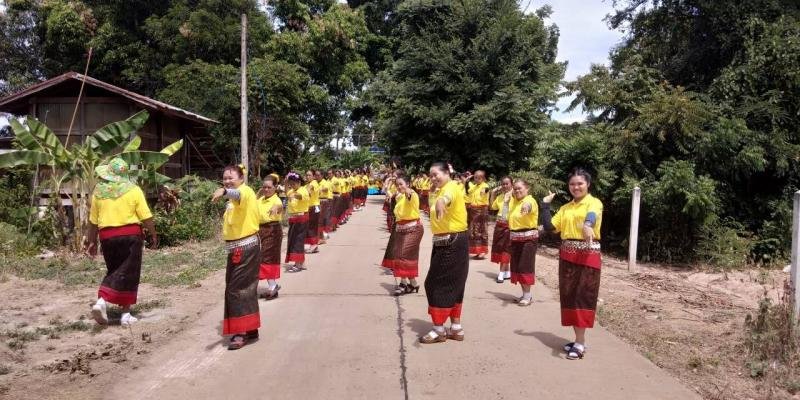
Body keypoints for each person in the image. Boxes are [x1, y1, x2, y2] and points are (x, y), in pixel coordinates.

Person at [85, 157, 157, 326]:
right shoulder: (134, 190)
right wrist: (153, 233)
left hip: (107, 237)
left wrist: (91, 242)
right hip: (131, 235)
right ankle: (112, 306)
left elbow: (93, 222)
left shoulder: (99, 192)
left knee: (114, 269)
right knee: (129, 272)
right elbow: (146, 216)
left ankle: (111, 306)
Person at [540, 168, 603, 360]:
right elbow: (551, 228)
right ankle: (577, 339)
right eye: (572, 184)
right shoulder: (566, 208)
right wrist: (544, 206)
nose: (575, 187)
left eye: (580, 184)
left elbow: (591, 216)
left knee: (582, 297)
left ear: (588, 184)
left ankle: (581, 342)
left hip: (587, 256)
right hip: (567, 256)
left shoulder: (594, 202)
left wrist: (587, 225)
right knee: (569, 296)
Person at [211, 165, 261, 350]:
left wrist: (224, 190)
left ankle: (241, 332)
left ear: (241, 178)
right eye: (224, 178)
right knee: (244, 288)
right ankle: (250, 328)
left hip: (245, 248)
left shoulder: (245, 192)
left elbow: (236, 195)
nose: (227, 180)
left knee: (236, 289)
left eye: (231, 178)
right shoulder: (233, 200)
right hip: (236, 248)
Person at [420, 162, 469, 344]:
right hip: (444, 240)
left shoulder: (452, 187)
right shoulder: (440, 189)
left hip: (452, 240)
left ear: (447, 172)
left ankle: (439, 329)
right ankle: (456, 328)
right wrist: (436, 195)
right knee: (454, 282)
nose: (433, 178)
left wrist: (441, 201)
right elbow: (438, 201)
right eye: (430, 175)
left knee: (435, 283)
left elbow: (446, 199)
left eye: (436, 174)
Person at [389, 175, 424, 295]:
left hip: (413, 229)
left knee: (403, 256)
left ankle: (403, 283)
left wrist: (408, 191)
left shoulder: (411, 194)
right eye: (397, 184)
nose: (399, 187)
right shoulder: (400, 196)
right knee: (399, 255)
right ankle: (413, 283)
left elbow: (410, 194)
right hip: (400, 229)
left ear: (408, 184)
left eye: (401, 184)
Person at [506, 179, 539, 306]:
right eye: (515, 188)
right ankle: (526, 294)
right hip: (515, 238)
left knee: (525, 266)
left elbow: (529, 206)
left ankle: (527, 296)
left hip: (528, 239)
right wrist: (505, 201)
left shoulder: (530, 200)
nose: (517, 190)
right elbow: (504, 216)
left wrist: (526, 207)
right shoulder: (514, 202)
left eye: (520, 188)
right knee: (517, 266)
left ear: (527, 189)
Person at [257, 174, 283, 300]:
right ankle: (272, 286)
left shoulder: (276, 200)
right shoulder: (260, 199)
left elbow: (279, 206)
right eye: (264, 187)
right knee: (262, 258)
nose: (266, 190)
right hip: (261, 230)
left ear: (275, 187)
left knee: (267, 257)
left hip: (272, 230)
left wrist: (275, 208)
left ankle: (273, 286)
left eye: (269, 187)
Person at [489, 176, 513, 282]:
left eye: (507, 183)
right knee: (500, 248)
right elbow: (493, 207)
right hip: (499, 225)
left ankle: (501, 273)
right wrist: (493, 193)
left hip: (509, 226)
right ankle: (507, 272)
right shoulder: (500, 197)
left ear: (512, 184)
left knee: (506, 249)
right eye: (503, 184)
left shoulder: (515, 195)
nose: (505, 186)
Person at [285, 172, 310, 272]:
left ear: (299, 182)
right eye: (291, 183)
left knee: (298, 241)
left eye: (294, 183)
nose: (292, 185)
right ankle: (301, 262)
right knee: (294, 240)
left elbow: (300, 196)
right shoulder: (292, 190)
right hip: (294, 218)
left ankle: (298, 264)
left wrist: (294, 195)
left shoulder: (303, 190)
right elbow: (287, 191)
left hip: (301, 218)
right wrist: (286, 182)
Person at [465, 170, 490, 258]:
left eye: (479, 178)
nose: (477, 179)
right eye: (475, 177)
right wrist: (467, 181)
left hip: (482, 210)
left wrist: (485, 191)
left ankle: (483, 251)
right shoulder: (474, 186)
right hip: (473, 210)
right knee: (474, 230)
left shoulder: (485, 185)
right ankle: (477, 250)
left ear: (483, 178)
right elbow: (468, 191)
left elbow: (486, 189)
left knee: (482, 229)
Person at [304, 170, 321, 254]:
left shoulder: (313, 183)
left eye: (309, 175)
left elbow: (308, 191)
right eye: (306, 175)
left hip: (314, 207)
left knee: (312, 226)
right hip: (310, 207)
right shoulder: (308, 184)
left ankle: (314, 244)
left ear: (314, 176)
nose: (307, 177)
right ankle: (314, 245)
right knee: (310, 226)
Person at [316, 170, 333, 243]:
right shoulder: (315, 182)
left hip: (323, 202)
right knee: (317, 219)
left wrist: (317, 190)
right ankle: (321, 236)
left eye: (318, 175)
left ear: (322, 175)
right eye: (315, 175)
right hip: (316, 202)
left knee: (321, 218)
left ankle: (322, 236)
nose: (316, 177)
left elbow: (325, 189)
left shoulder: (325, 182)